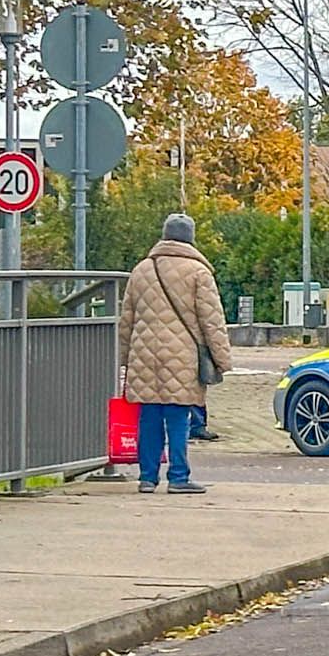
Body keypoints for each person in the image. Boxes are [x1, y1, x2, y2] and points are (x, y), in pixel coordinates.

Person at [120, 212, 230, 496]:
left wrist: (122, 358)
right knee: (179, 417)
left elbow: (127, 320)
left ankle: (147, 478)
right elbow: (212, 320)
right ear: (190, 238)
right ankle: (179, 476)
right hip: (182, 355)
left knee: (149, 415)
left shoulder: (141, 269)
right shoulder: (198, 273)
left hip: (143, 355)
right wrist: (222, 359)